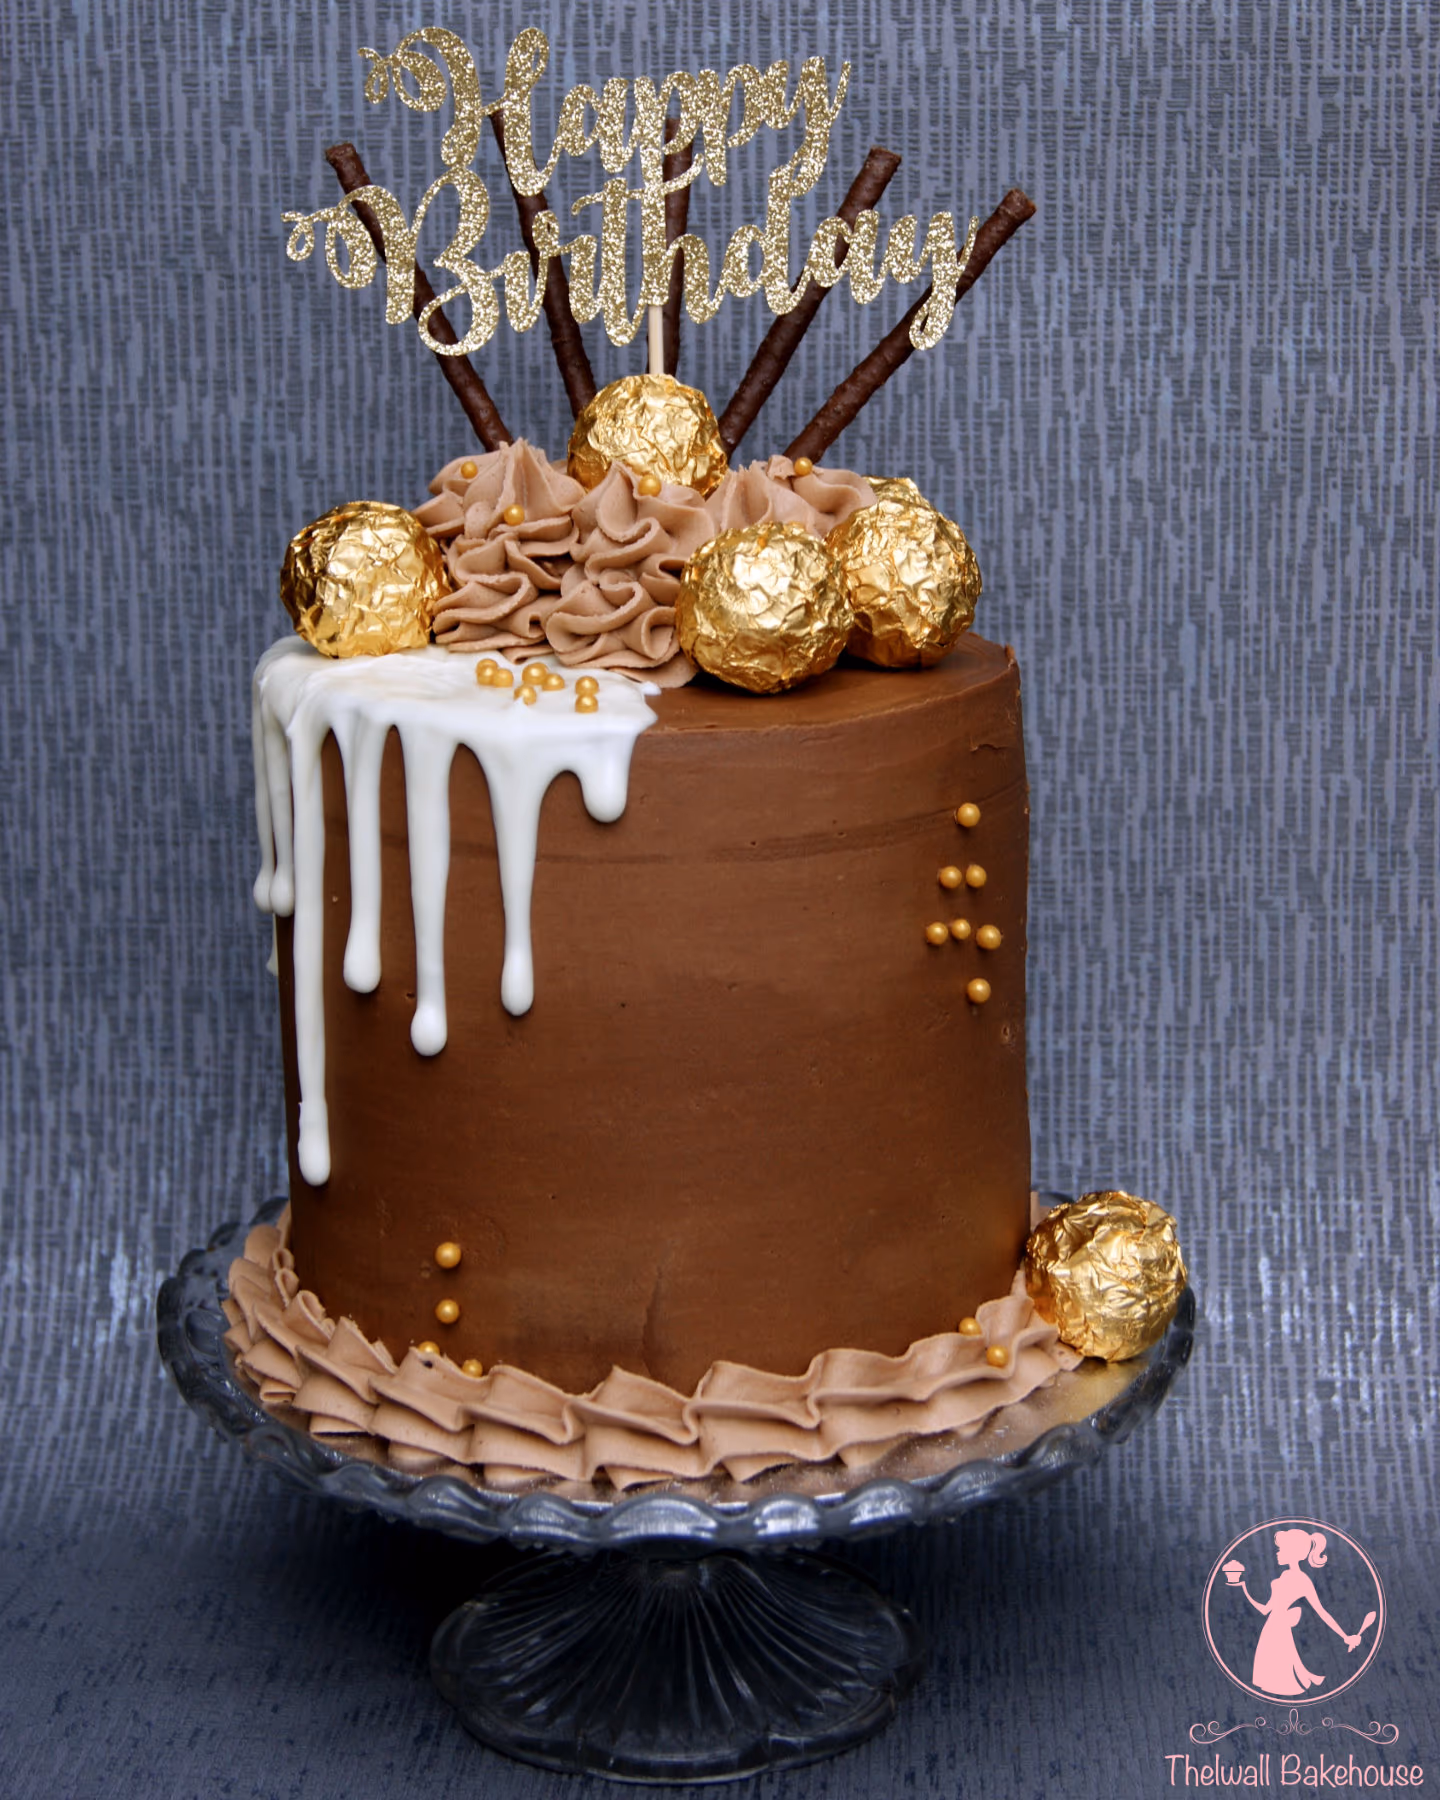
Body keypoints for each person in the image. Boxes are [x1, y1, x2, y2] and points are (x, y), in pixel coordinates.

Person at [1237, 1529, 1364, 1696]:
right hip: (1271, 1627)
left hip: (1280, 1627)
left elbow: (1321, 1612)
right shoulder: (1283, 1575)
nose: (1277, 1553)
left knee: (1282, 1668)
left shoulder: (1303, 1580)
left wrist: (1345, 1636)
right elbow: (1265, 1609)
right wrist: (1244, 1589)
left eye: (1281, 1549)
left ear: (1293, 1552)